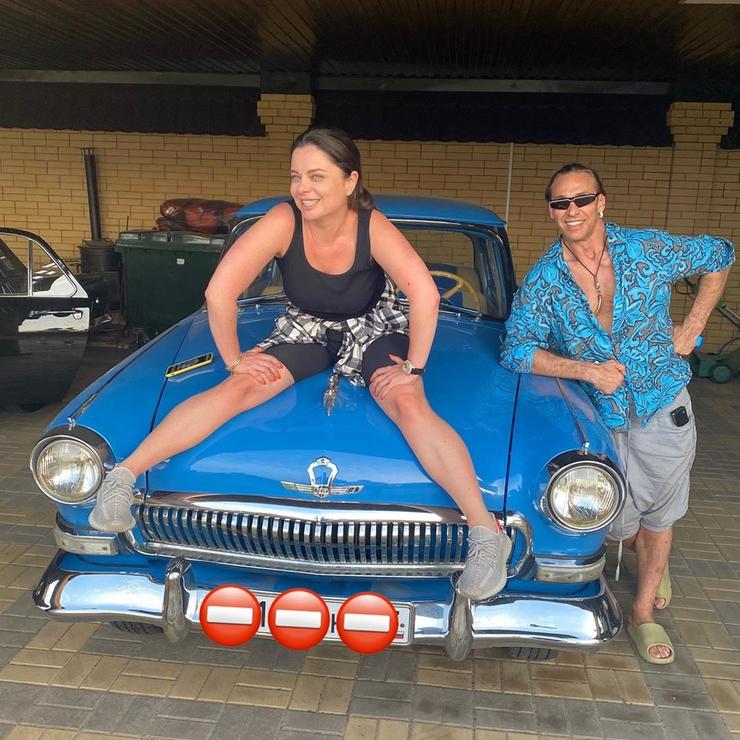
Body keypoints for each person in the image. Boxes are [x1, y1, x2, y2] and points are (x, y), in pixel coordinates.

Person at [89, 127, 511, 602]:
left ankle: (485, 533)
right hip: (306, 326)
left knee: (408, 402)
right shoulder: (282, 220)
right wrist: (235, 360)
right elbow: (219, 291)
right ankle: (122, 478)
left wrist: (413, 367)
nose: (303, 188)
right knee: (238, 389)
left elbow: (425, 294)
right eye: (296, 176)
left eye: (317, 176)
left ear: (350, 181)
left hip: (375, 326)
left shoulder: (371, 225)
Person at [500, 162, 734, 665]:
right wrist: (584, 369)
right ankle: (646, 551)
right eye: (561, 203)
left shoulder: (646, 249)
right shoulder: (545, 281)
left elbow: (720, 253)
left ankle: (643, 612)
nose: (572, 210)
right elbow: (516, 350)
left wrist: (693, 326)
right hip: (599, 415)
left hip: (662, 403)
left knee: (661, 514)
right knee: (612, 516)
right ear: (551, 212)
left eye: (581, 199)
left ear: (600, 202)